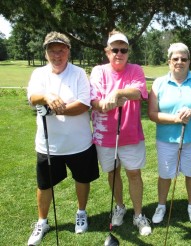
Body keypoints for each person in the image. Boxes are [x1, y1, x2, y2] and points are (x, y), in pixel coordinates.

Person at [27, 31, 100, 245]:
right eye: (52, 51)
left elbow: (84, 104)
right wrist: (47, 96)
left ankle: (81, 212)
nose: (56, 55)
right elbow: (32, 97)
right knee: (44, 184)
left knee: (82, 179)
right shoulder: (39, 74)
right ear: (46, 52)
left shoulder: (78, 74)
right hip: (48, 144)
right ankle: (42, 221)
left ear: (68, 51)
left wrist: (56, 110)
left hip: (79, 143)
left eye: (61, 50)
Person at [90, 30, 151, 236]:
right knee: (113, 172)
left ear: (128, 52)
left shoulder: (135, 70)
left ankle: (138, 214)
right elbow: (95, 101)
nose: (119, 53)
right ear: (108, 52)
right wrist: (104, 104)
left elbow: (138, 92)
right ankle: (119, 206)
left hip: (130, 134)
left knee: (134, 173)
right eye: (114, 49)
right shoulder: (98, 71)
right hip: (104, 135)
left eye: (123, 49)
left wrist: (117, 93)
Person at [148, 43, 191, 224]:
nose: (179, 62)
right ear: (169, 62)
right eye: (175, 59)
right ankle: (161, 205)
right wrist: (175, 119)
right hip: (167, 139)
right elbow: (152, 114)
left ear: (189, 61)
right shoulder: (159, 83)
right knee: (165, 174)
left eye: (183, 59)